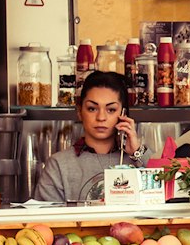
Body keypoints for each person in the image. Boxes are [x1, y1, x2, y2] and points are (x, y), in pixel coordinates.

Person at [31, 70, 146, 204]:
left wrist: (138, 152)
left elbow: (166, 196)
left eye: (111, 110)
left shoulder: (138, 160)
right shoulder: (59, 165)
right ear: (80, 112)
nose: (101, 117)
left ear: (124, 114)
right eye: (92, 108)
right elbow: (48, 221)